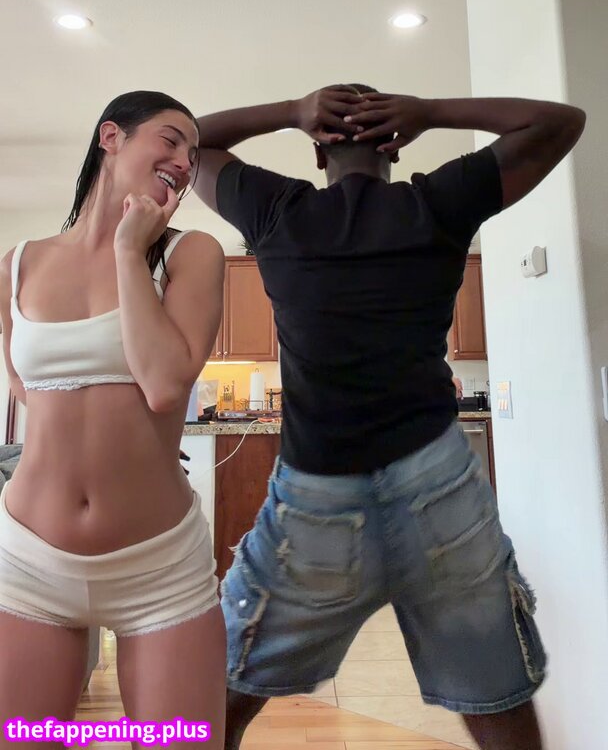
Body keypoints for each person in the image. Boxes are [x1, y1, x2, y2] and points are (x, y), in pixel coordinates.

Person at [193, 85, 586, 750]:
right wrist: (432, 112)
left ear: (319, 154)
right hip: (439, 486)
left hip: (317, 495)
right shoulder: (437, 203)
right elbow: (558, 122)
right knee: (497, 703)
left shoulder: (277, 208)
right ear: (395, 148)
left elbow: (189, 140)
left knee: (217, 695)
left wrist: (290, 112)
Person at [0, 91, 226, 749]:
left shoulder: (190, 254)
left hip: (160, 572)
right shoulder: (16, 265)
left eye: (193, 153)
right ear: (111, 137)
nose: (183, 161)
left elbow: (164, 385)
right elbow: (25, 389)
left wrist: (131, 250)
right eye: (171, 139)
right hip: (29, 564)